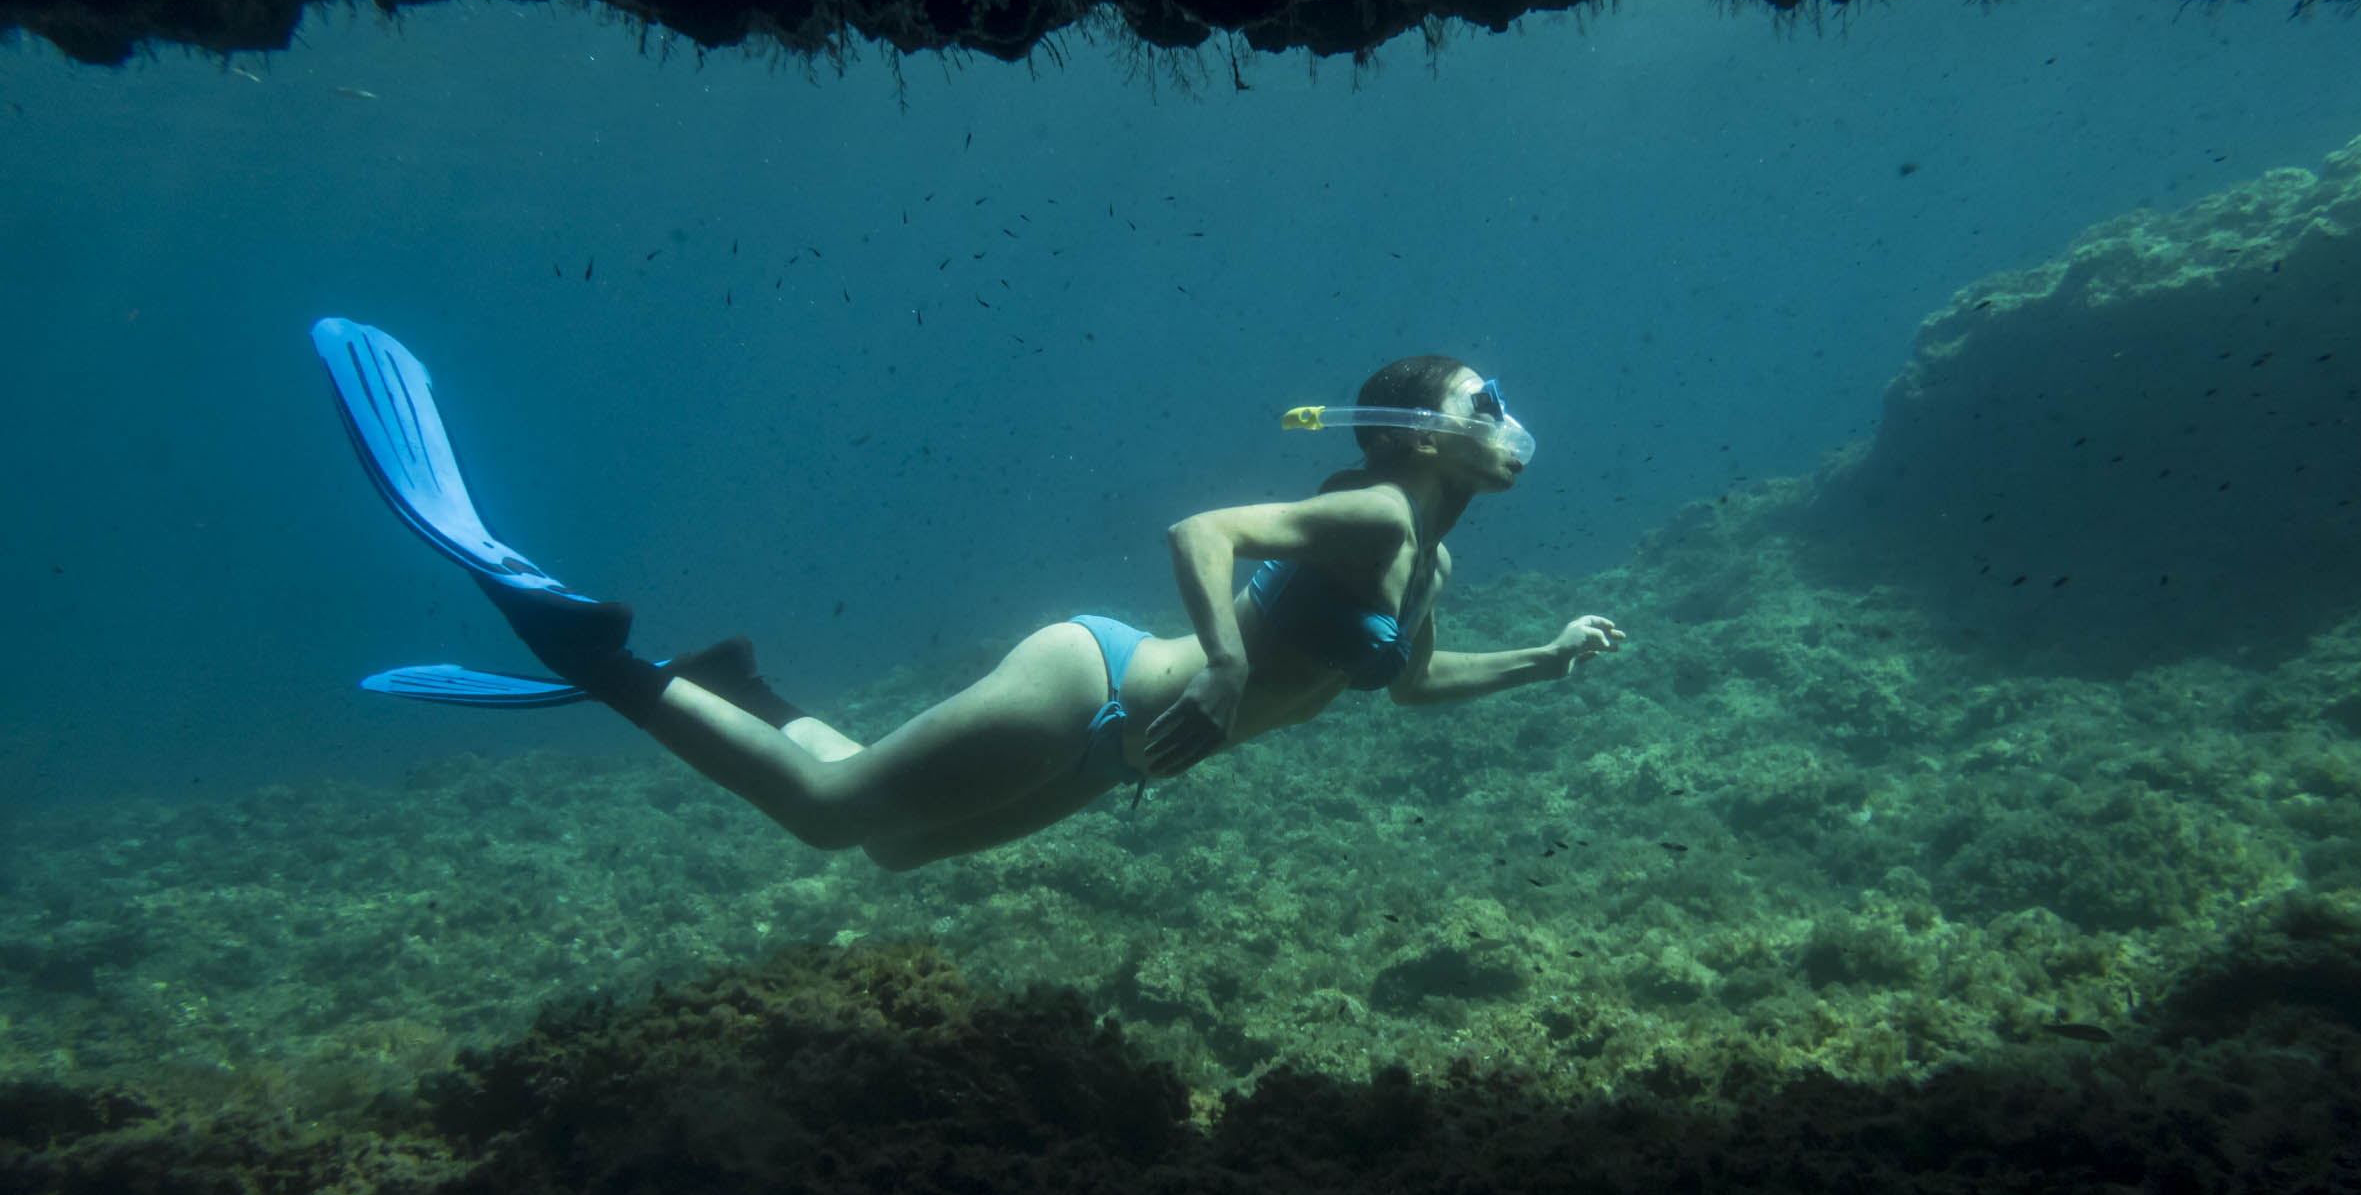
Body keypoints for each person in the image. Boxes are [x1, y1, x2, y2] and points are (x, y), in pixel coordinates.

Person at [317, 319, 1626, 870]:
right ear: (1414, 434)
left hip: (1116, 760)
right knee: (831, 818)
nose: (1508, 420)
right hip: (1098, 688)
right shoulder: (1376, 510)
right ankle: (596, 654)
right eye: (1485, 403)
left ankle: (736, 687)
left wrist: (1551, 656)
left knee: (893, 843)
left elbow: (1412, 686)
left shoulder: (1431, 559)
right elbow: (1205, 530)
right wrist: (1228, 668)